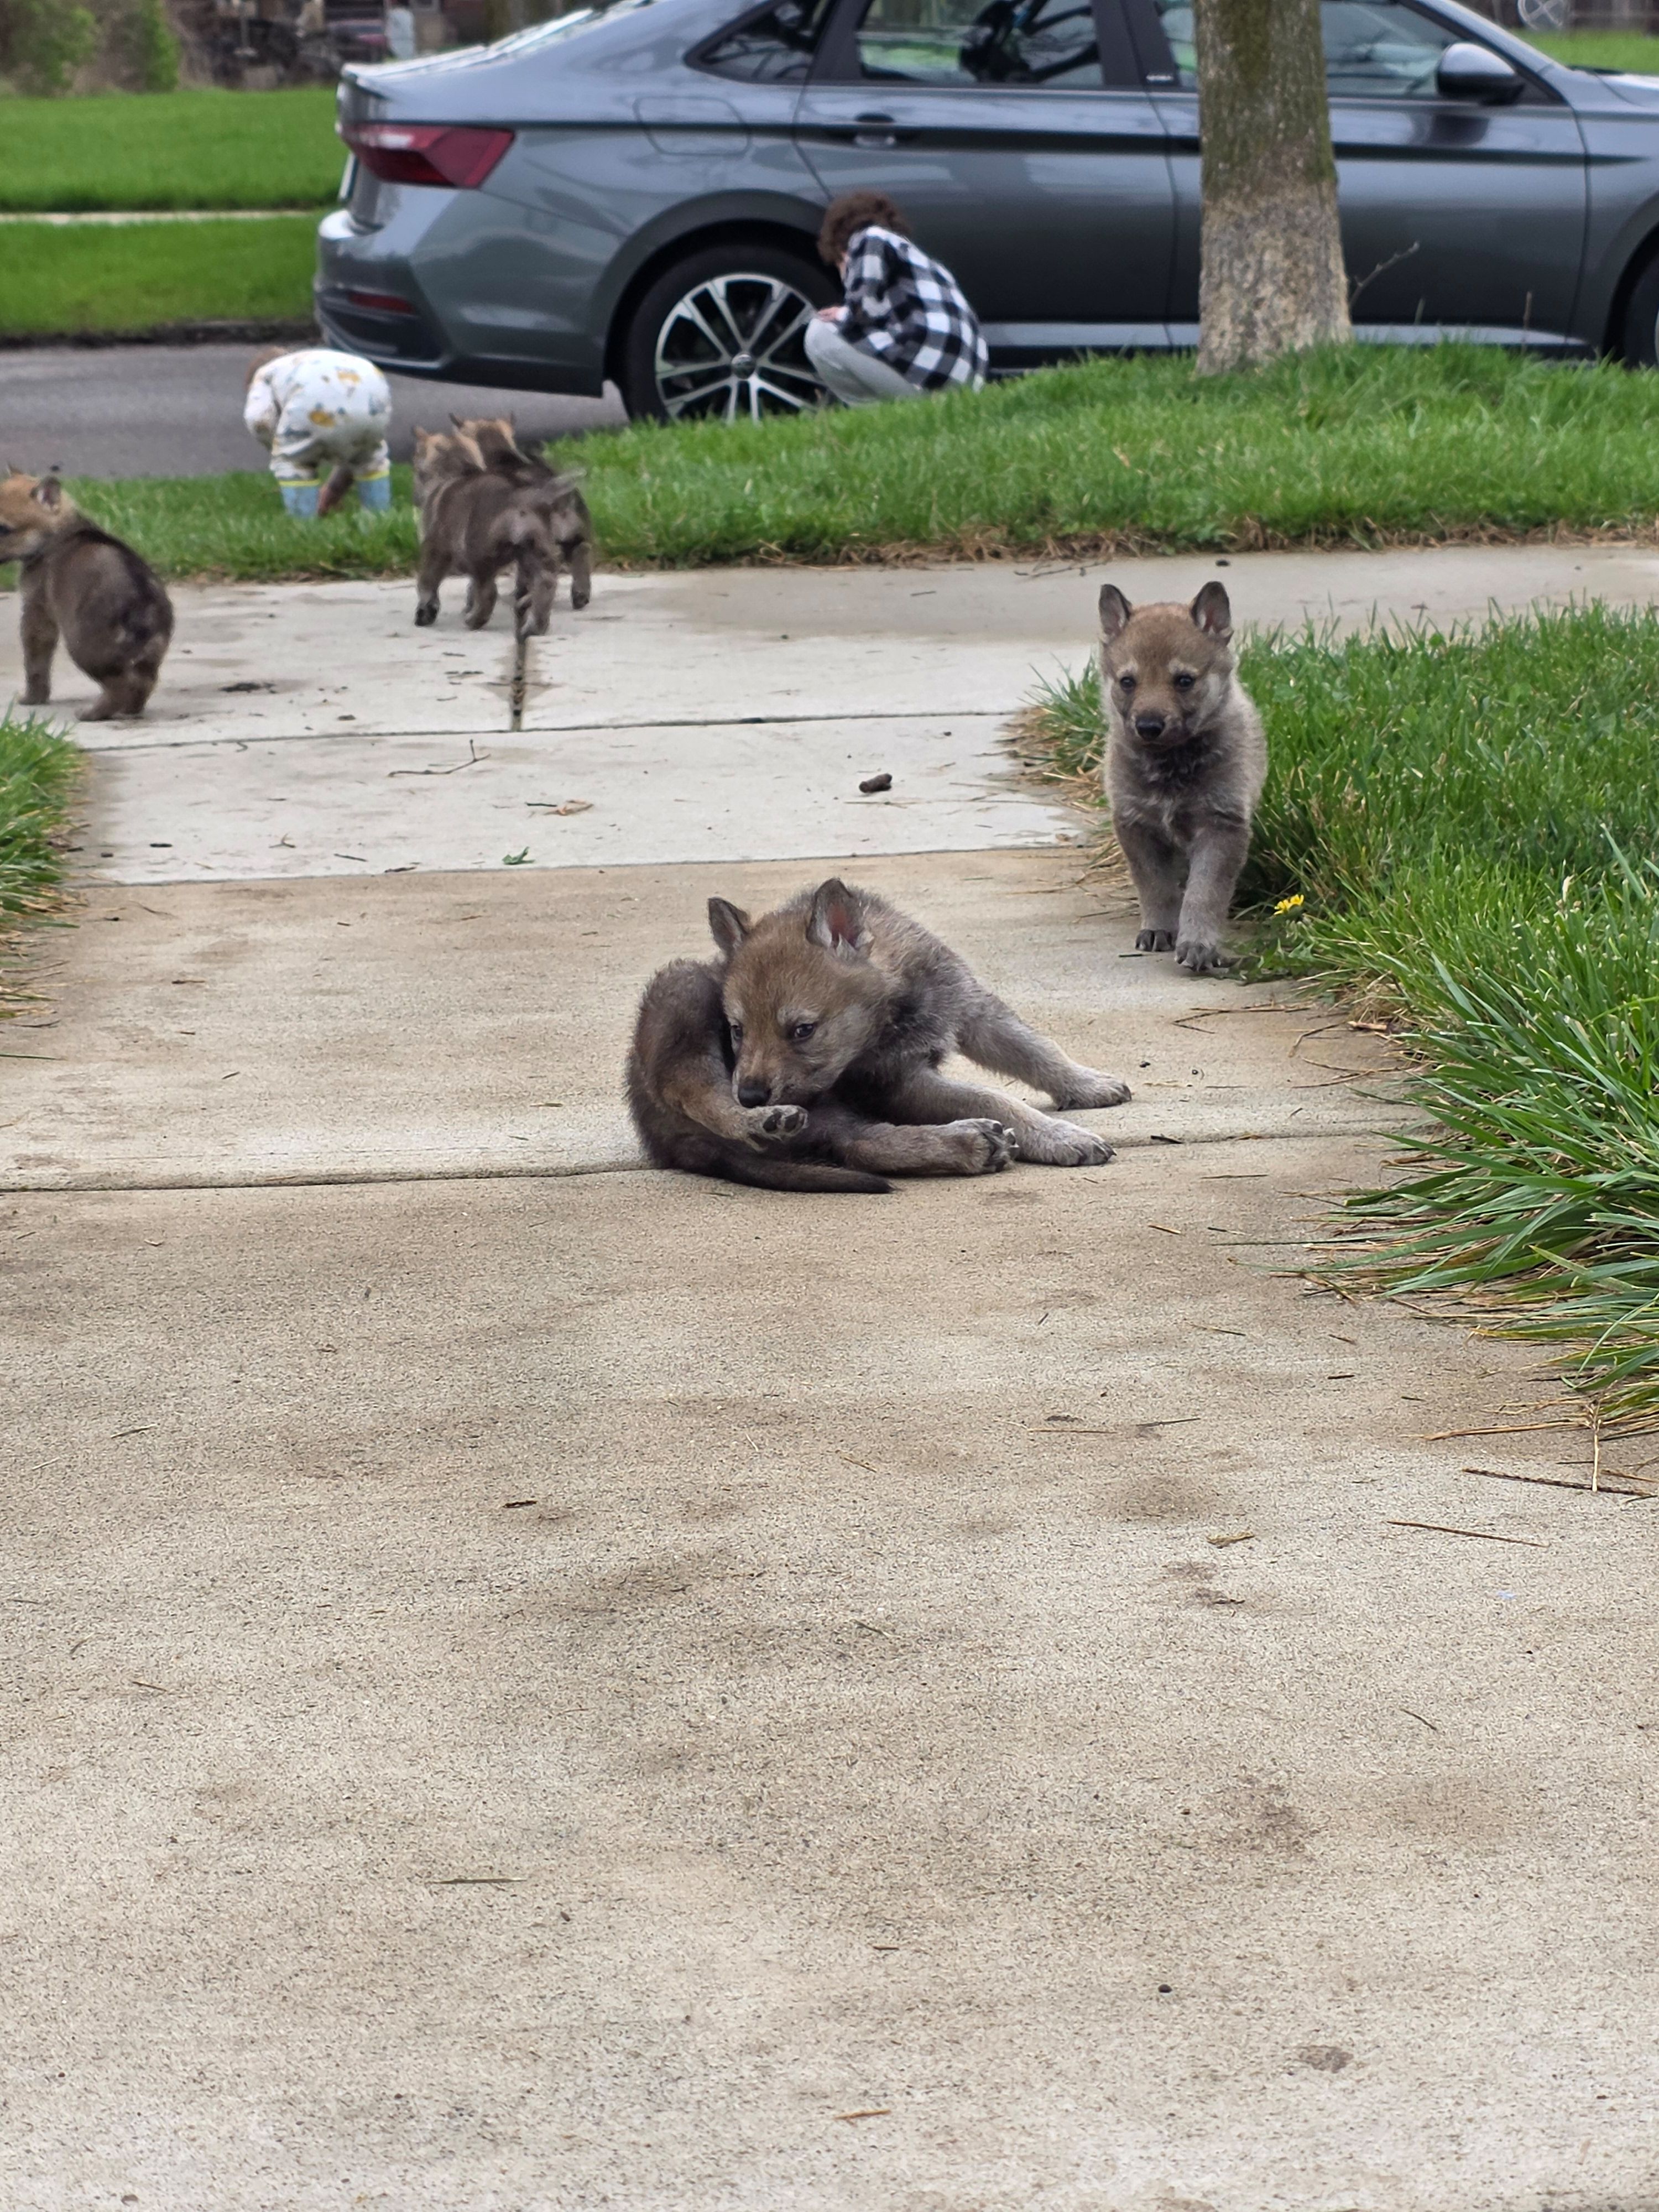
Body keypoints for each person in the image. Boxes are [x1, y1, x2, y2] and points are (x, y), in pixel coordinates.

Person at [805, 190, 988, 409]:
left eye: (838, 267)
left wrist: (842, 313)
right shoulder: (929, 266)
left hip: (929, 382)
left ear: (840, 250)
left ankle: (876, 419)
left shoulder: (867, 239)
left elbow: (863, 310)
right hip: (964, 388)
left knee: (819, 334)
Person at [243, 345, 394, 519]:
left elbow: (259, 420)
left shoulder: (264, 376)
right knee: (367, 457)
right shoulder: (306, 365)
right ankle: (380, 519)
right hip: (372, 383)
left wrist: (278, 449)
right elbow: (351, 451)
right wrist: (333, 492)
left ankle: (304, 525)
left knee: (294, 462)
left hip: (314, 405)